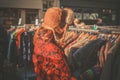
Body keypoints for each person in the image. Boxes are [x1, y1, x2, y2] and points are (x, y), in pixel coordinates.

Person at [32, 7, 76, 80]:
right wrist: (88, 74)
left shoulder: (38, 40)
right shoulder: (54, 52)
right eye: (65, 26)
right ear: (59, 27)